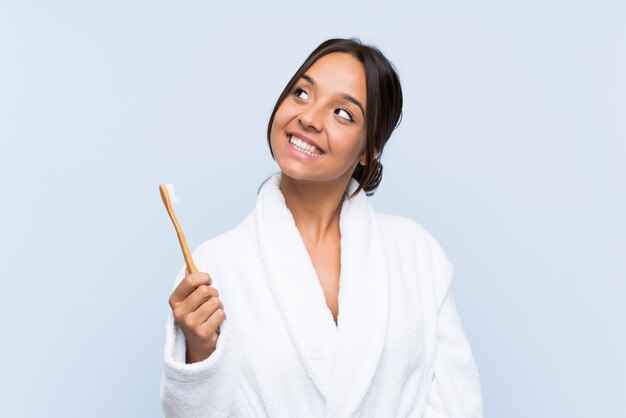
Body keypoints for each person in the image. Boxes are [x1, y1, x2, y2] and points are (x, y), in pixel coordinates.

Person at [160, 37, 484, 417]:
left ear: (368, 149)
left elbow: (458, 403)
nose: (309, 118)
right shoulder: (212, 268)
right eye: (301, 93)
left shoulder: (416, 254)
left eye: (343, 113)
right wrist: (199, 353)